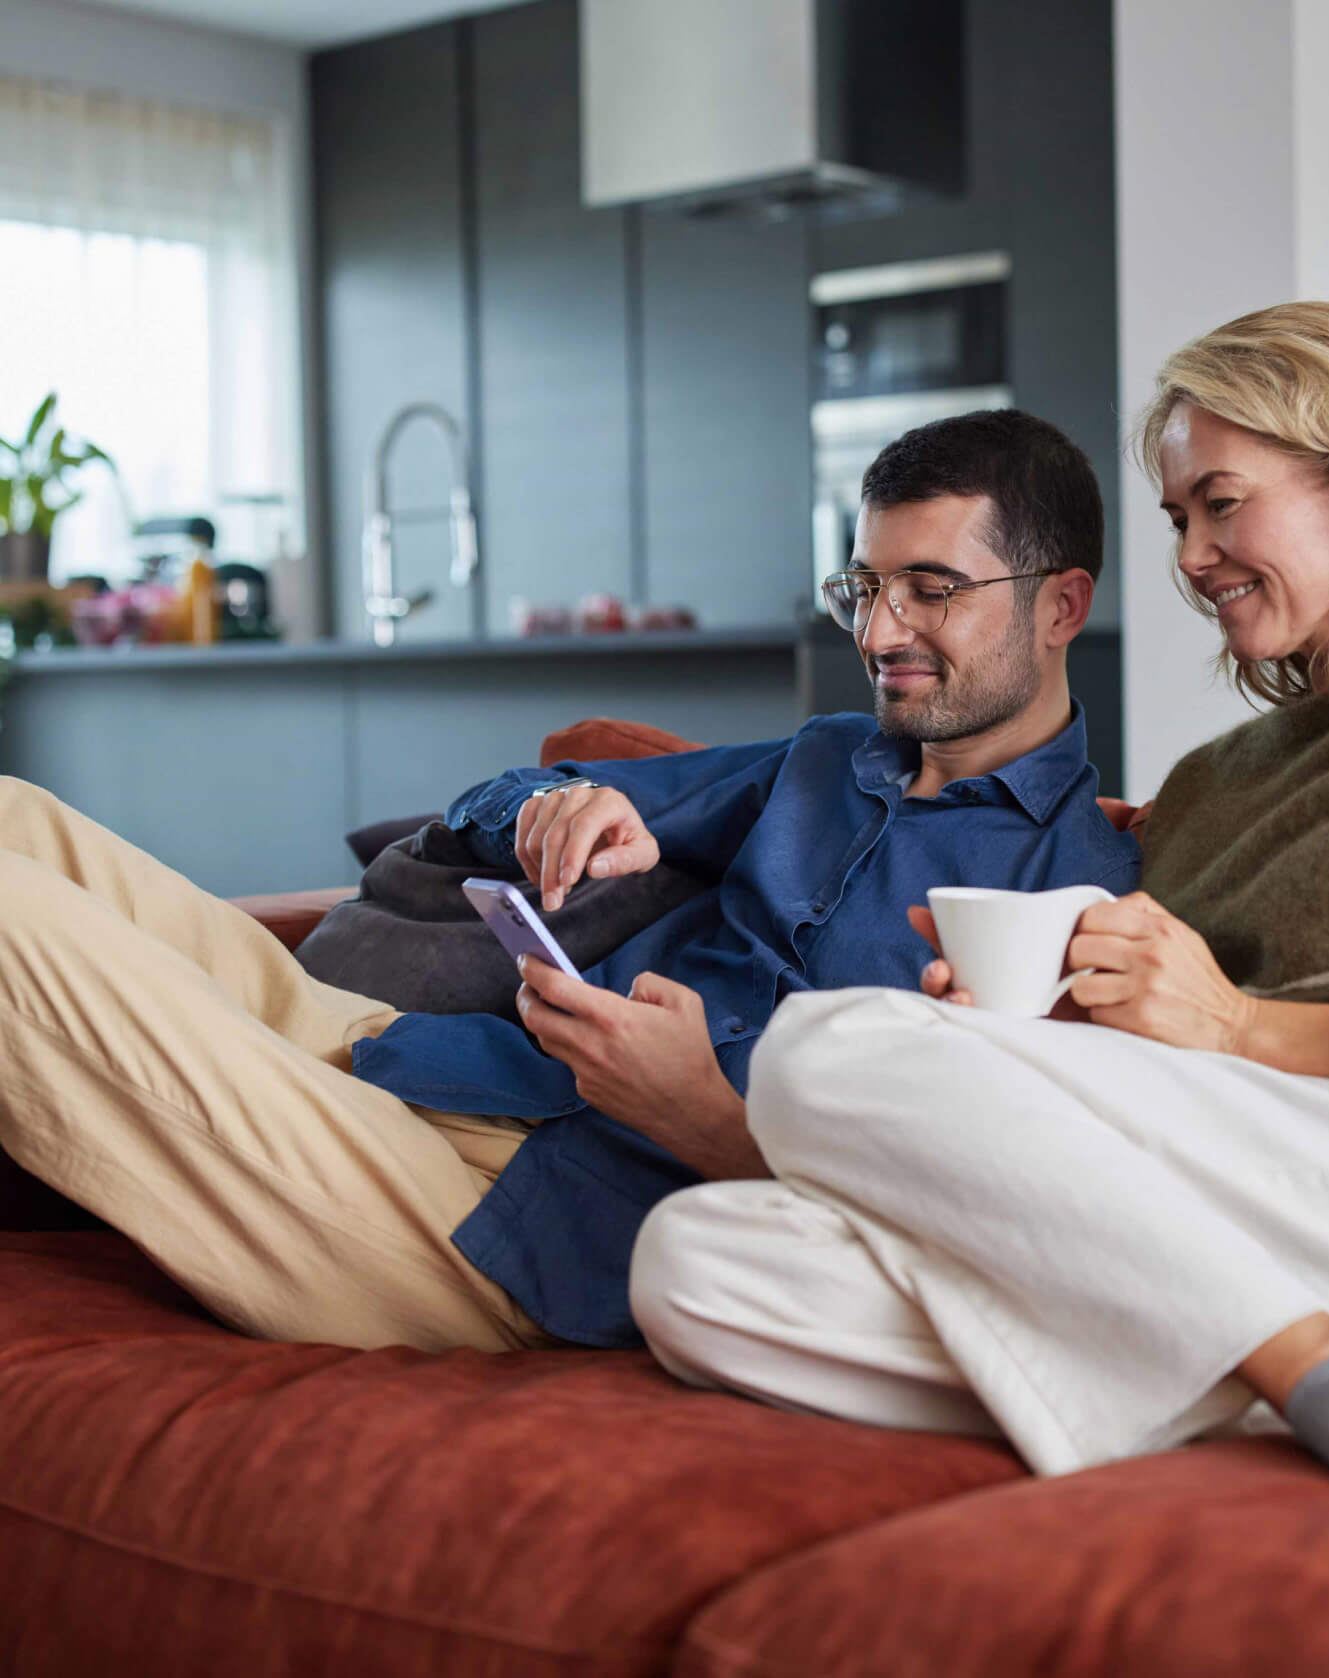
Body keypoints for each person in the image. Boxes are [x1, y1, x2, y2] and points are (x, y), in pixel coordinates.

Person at [627, 302, 1329, 1508]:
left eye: (1221, 504)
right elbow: (1165, 1078)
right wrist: (1028, 1037)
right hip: (1242, 1219)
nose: (1185, 557)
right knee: (698, 1268)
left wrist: (1241, 1027)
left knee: (814, 1049)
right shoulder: (1203, 786)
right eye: (1179, 518)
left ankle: (1315, 1363)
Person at [0, 408, 1139, 1356]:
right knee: (17, 815)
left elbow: (972, 1218)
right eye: (864, 588)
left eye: (930, 588)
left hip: (527, 1232)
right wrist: (561, 808)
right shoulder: (828, 758)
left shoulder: (1078, 901)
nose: (881, 629)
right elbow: (493, 797)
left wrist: (709, 1116)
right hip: (427, 1063)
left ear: (1060, 606)